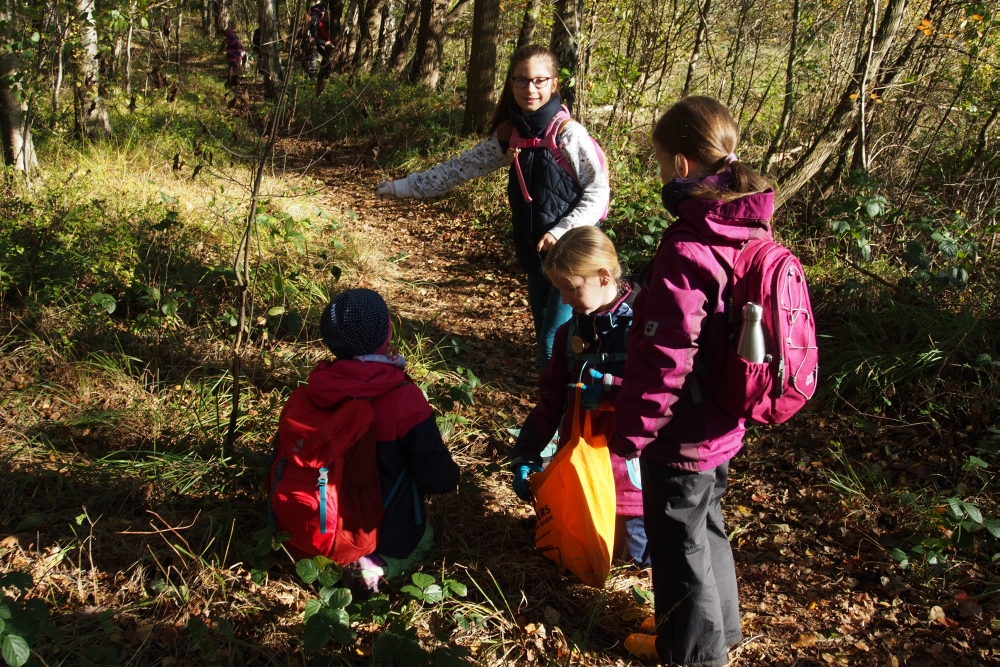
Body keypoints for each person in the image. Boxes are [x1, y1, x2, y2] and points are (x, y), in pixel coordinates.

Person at [609, 97, 773, 665]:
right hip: (727, 412)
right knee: (708, 525)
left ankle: (693, 655)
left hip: (684, 425)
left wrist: (632, 431)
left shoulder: (687, 243)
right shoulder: (749, 224)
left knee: (678, 541)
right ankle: (721, 634)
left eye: (659, 162)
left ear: (680, 165)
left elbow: (666, 353)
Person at [374, 44, 610, 369]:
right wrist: (402, 188)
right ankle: (559, 408)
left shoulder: (569, 135)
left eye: (540, 81)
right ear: (511, 84)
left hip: (574, 258)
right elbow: (459, 169)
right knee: (549, 339)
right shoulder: (511, 135)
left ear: (554, 83)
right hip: (536, 255)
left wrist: (560, 231)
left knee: (552, 342)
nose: (531, 89)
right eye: (522, 81)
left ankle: (567, 412)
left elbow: (598, 193)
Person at [509, 227, 649, 569]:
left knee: (631, 565)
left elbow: (658, 395)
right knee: (575, 560)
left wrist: (613, 391)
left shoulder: (646, 327)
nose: (566, 300)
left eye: (571, 289)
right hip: (580, 478)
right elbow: (551, 401)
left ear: (603, 276)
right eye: (560, 290)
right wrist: (526, 453)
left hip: (627, 485)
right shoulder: (568, 333)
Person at [309, 288, 460, 590]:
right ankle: (376, 567)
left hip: (318, 518)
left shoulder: (315, 390)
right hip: (381, 529)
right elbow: (439, 479)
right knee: (423, 538)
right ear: (387, 331)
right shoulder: (403, 400)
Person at [304, 4, 334, 94]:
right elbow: (314, 37)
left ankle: (309, 84)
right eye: (324, 13)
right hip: (311, 44)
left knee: (315, 61)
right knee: (312, 64)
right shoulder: (315, 17)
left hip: (311, 43)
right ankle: (310, 86)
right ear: (322, 12)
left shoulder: (313, 15)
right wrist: (324, 43)